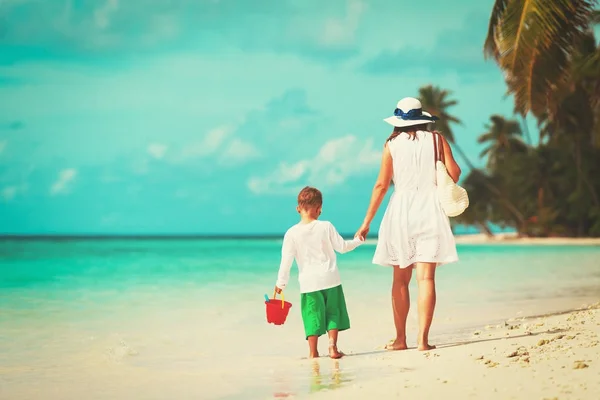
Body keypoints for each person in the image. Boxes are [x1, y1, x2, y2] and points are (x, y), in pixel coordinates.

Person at [355, 97, 461, 351]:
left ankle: (400, 339)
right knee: (426, 279)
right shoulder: (437, 139)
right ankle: (423, 341)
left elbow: (381, 186)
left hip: (401, 213)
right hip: (431, 209)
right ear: (422, 119)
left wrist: (366, 222)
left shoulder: (391, 144)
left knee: (400, 279)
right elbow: (455, 173)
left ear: (398, 122)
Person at [275, 186, 364, 359]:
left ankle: (313, 352)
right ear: (319, 209)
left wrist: (281, 284)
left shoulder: (291, 233)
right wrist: (358, 240)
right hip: (330, 278)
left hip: (309, 283)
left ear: (298, 208)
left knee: (312, 316)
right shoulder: (326, 226)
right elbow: (343, 248)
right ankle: (332, 347)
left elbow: (286, 261)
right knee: (333, 312)